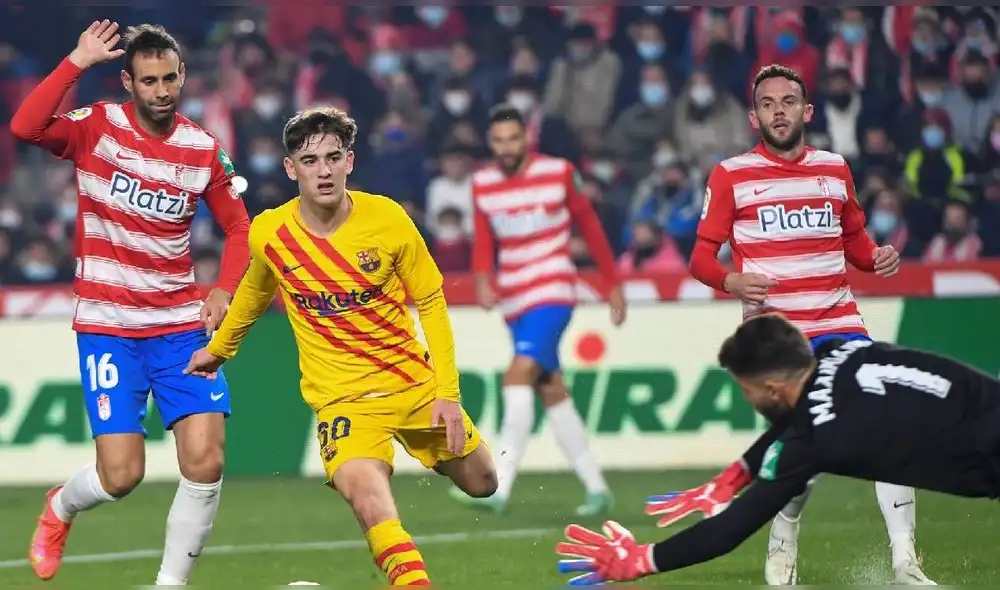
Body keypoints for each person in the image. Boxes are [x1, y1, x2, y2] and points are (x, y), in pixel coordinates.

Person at [184, 107, 498, 586]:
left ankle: (427, 451)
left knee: (483, 483)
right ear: (291, 169)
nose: (323, 170)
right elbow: (254, 292)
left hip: (412, 386)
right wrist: (221, 348)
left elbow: (431, 302)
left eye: (333, 158)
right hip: (342, 403)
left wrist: (447, 395)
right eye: (310, 161)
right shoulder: (272, 231)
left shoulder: (388, 219)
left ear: (350, 161)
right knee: (369, 499)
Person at [9, 21, 250, 584]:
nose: (162, 90)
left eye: (170, 78)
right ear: (128, 82)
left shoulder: (202, 149)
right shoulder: (96, 128)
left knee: (207, 461)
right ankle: (61, 507)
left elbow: (240, 228)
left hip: (179, 327)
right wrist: (75, 62)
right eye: (149, 81)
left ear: (183, 76)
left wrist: (223, 289)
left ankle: (169, 586)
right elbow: (25, 126)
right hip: (108, 327)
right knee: (120, 476)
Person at [678, 63, 928, 585]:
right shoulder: (731, 175)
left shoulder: (835, 169)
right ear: (754, 116)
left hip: (841, 322)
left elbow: (854, 242)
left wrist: (877, 256)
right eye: (768, 104)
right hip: (778, 340)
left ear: (806, 111)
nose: (778, 111)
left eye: (788, 102)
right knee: (803, 454)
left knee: (888, 429)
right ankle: (785, 530)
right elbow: (701, 258)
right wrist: (730, 283)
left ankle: (906, 561)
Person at [556, 313, 1000, 585]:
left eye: (746, 390)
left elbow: (729, 531)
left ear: (770, 387)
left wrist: (643, 560)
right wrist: (735, 475)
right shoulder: (839, 353)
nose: (748, 400)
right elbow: (797, 415)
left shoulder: (814, 442)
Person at [448, 104, 626, 517]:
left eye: (513, 138)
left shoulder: (559, 172)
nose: (507, 147)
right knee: (551, 391)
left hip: (553, 289)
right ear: (490, 143)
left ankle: (498, 486)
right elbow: (483, 239)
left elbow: (591, 227)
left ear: (527, 136)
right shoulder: (483, 182)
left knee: (518, 374)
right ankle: (597, 489)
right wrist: (481, 277)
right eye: (498, 140)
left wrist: (612, 283)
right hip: (513, 297)